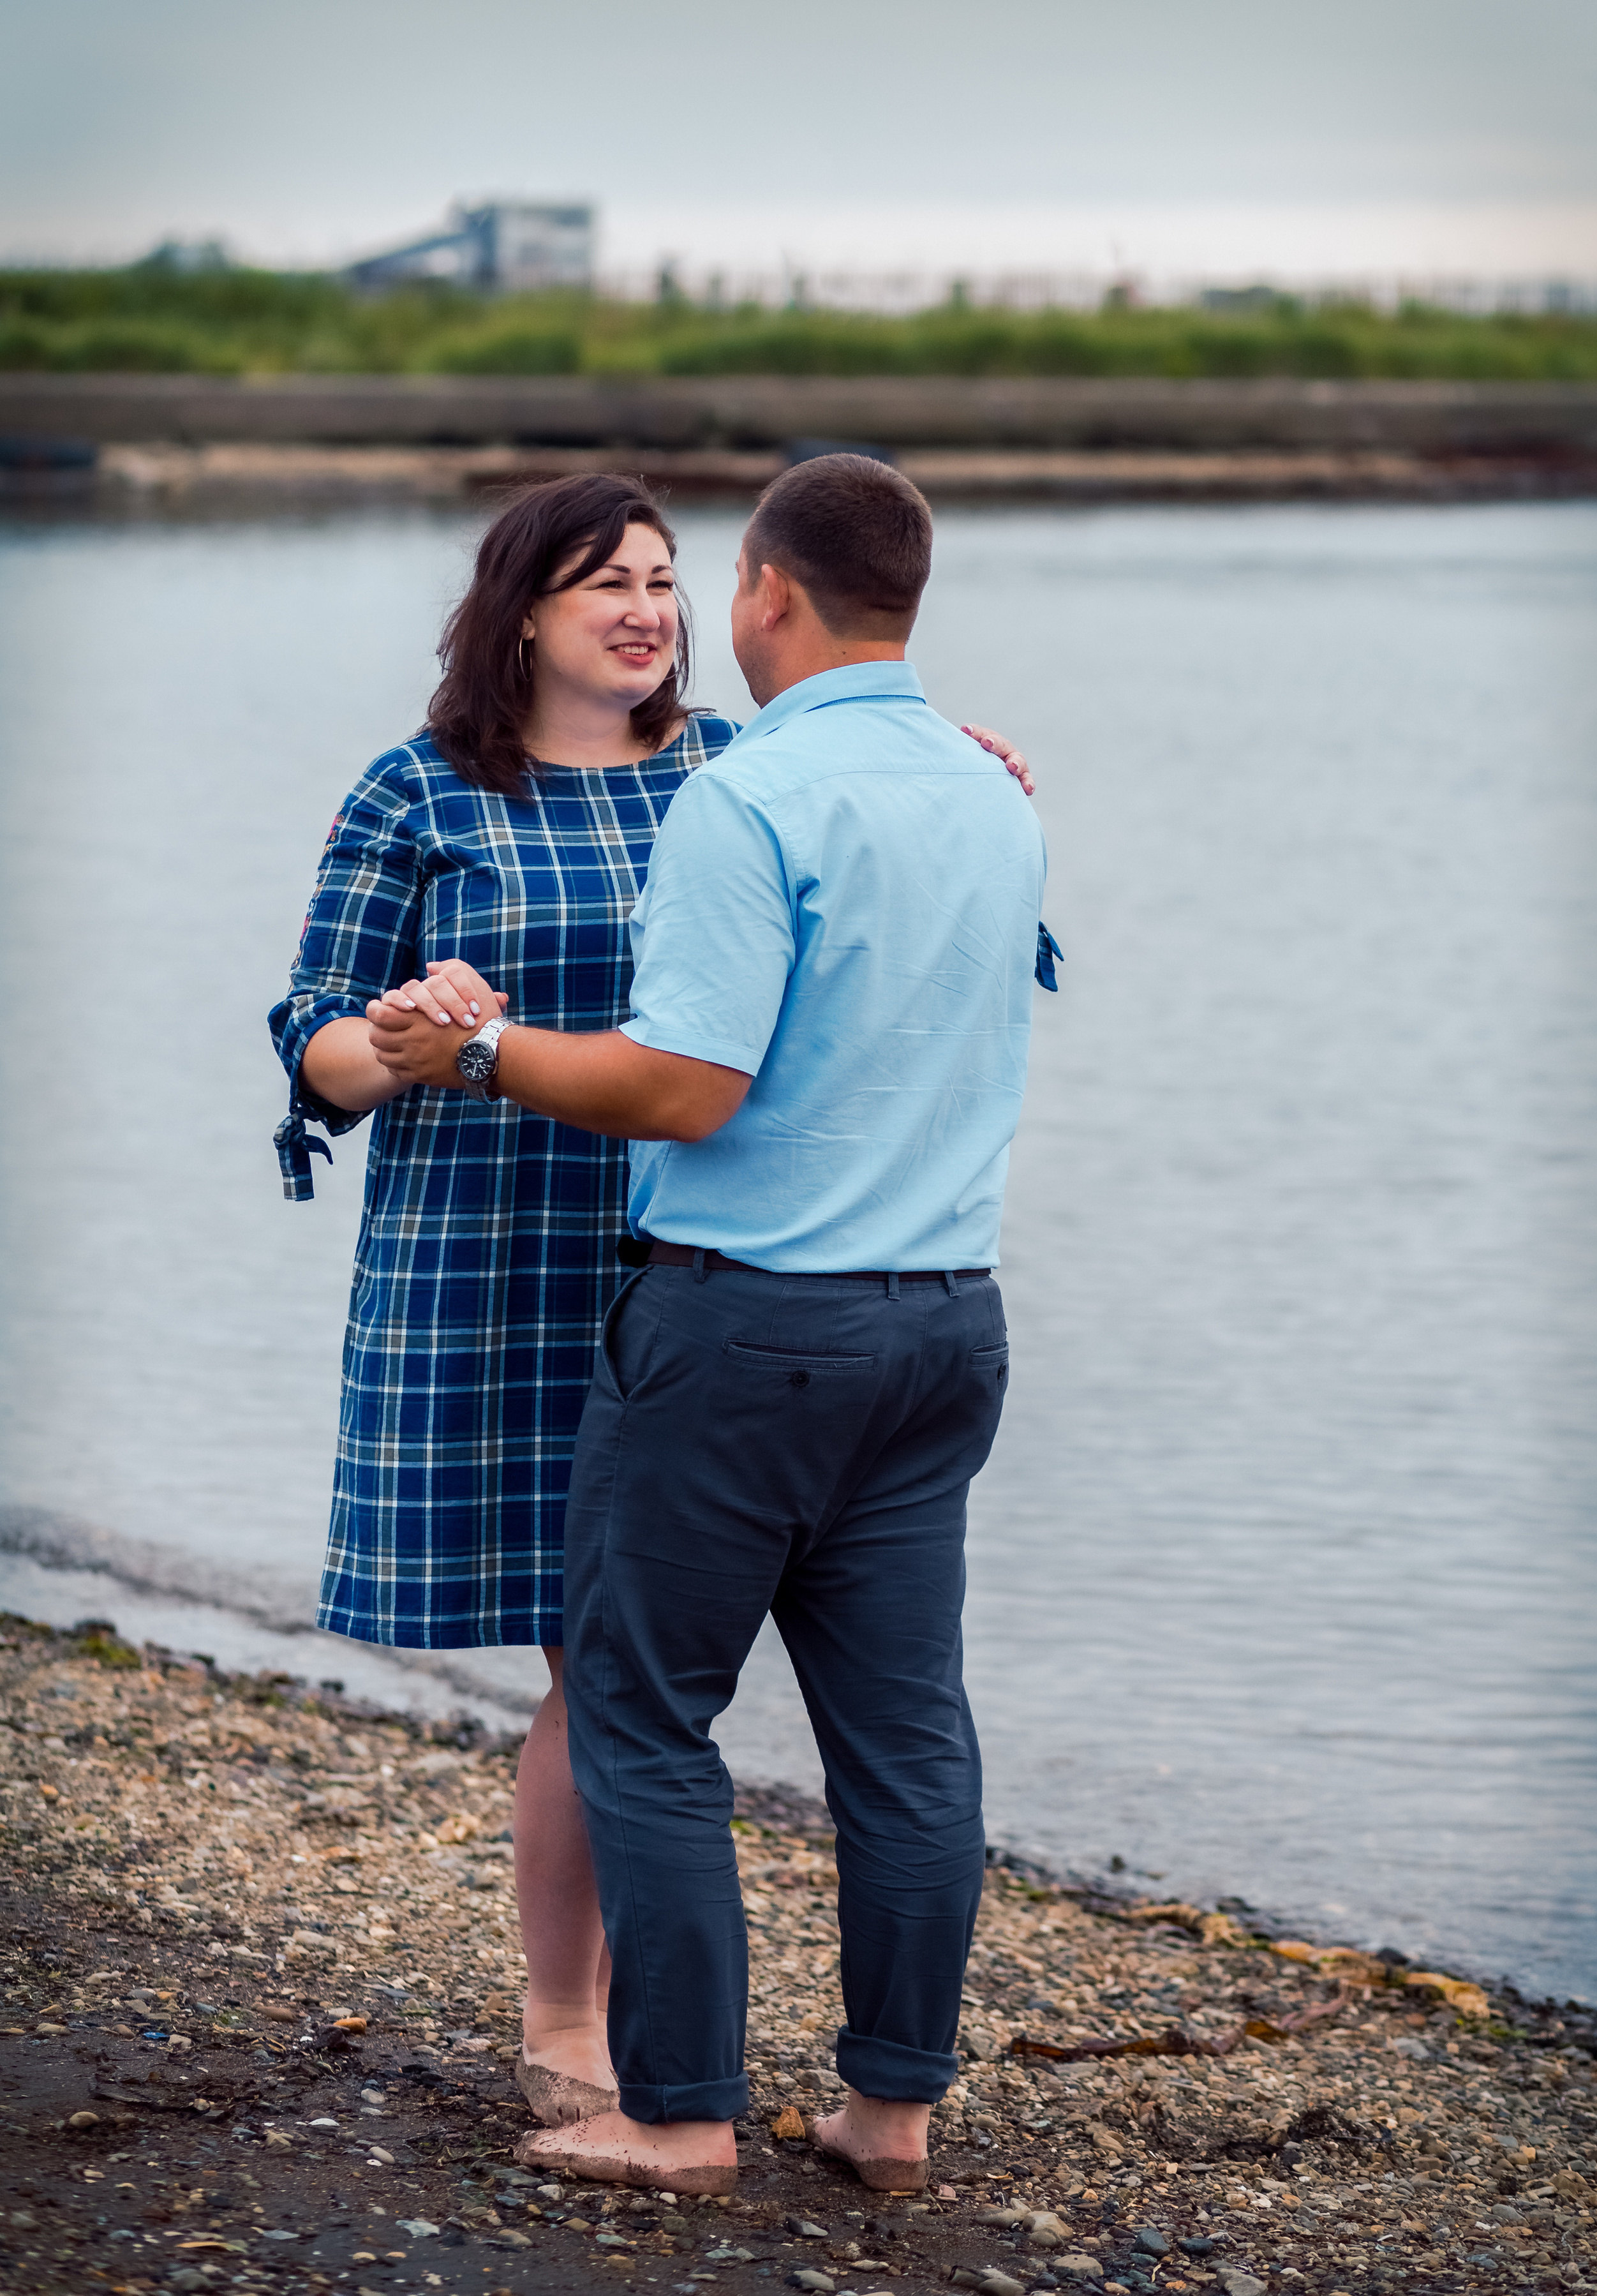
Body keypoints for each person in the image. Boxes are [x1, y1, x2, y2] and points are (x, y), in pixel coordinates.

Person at [267, 470, 1036, 2135]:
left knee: (609, 1673)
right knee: (592, 1666)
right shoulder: (419, 794)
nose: (645, 608)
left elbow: (881, 932)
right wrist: (401, 1037)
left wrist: (960, 781)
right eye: (604, 580)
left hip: (704, 1275)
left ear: (738, 600)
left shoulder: (731, 769)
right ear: (519, 611)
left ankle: (641, 2045)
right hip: (500, 1270)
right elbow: (315, 1044)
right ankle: (571, 2010)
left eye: (668, 580)